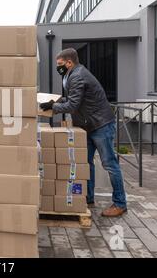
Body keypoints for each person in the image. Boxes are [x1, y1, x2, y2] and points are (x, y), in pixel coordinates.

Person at [40, 48, 127, 217]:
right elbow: (75, 99)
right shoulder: (73, 74)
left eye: (60, 65)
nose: (58, 68)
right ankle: (87, 198)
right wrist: (56, 102)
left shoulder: (77, 76)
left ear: (69, 62)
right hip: (89, 125)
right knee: (85, 164)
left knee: (110, 164)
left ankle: (120, 203)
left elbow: (72, 105)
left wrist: (53, 107)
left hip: (100, 125)